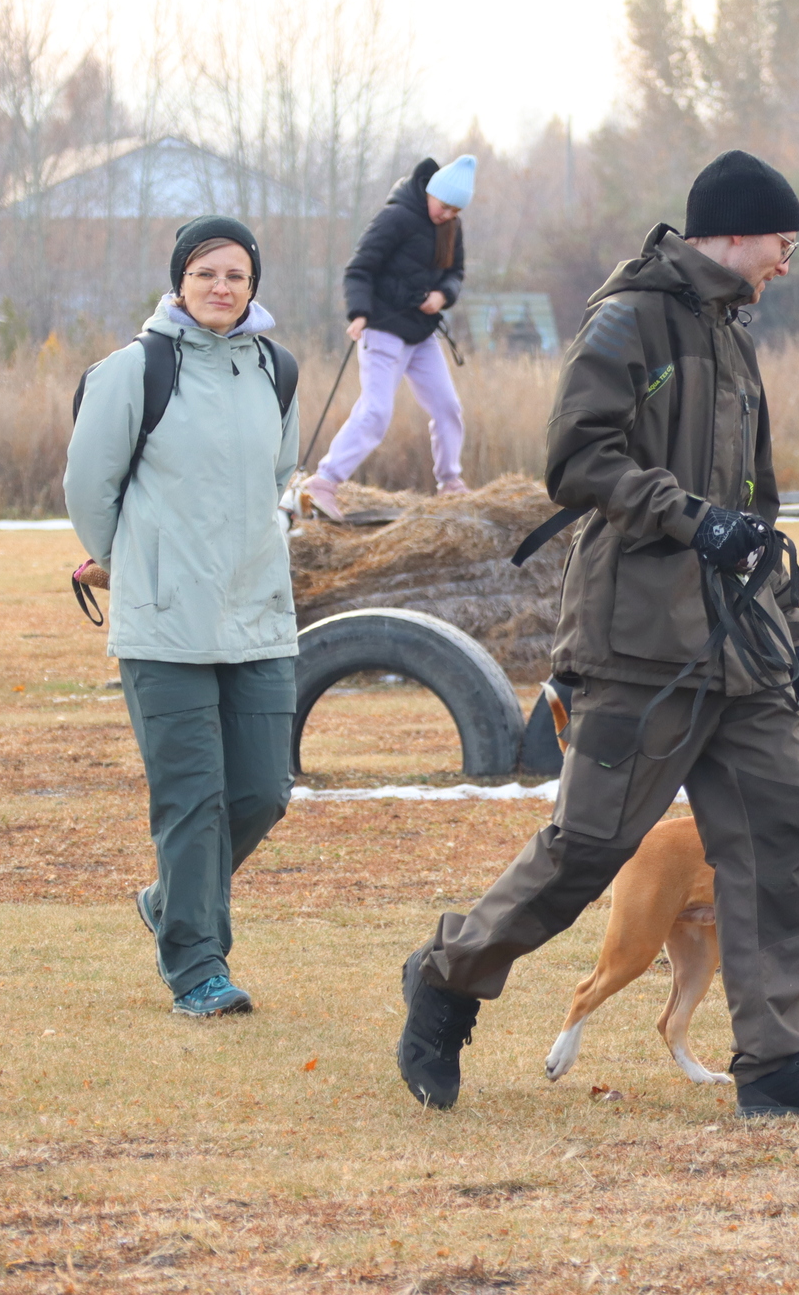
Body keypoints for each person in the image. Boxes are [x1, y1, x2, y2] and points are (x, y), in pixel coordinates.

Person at [393, 152, 799, 1118]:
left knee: (783, 842)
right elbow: (576, 458)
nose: (785, 265)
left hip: (739, 648)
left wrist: (782, 630)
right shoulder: (631, 318)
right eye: (782, 245)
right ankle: (448, 975)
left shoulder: (735, 337)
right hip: (639, 642)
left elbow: (758, 504)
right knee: (587, 848)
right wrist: (688, 516)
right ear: (737, 231)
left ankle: (778, 1064)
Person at [64, 216, 300, 1018]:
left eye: (236, 274)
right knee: (193, 799)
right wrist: (135, 563)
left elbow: (278, 475)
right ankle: (199, 967)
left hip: (257, 611)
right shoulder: (135, 369)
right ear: (179, 282)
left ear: (253, 285)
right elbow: (88, 489)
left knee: (264, 790)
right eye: (206, 273)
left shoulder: (277, 369)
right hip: (163, 621)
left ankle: (171, 898)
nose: (222, 287)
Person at [299, 155, 475, 520]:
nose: (447, 215)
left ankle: (450, 484)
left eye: (455, 210)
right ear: (431, 193)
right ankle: (323, 483)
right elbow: (359, 268)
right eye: (444, 206)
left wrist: (443, 296)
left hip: (422, 334)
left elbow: (455, 272)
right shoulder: (396, 217)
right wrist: (359, 313)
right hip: (382, 328)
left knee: (447, 407)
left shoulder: (451, 226)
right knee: (376, 410)